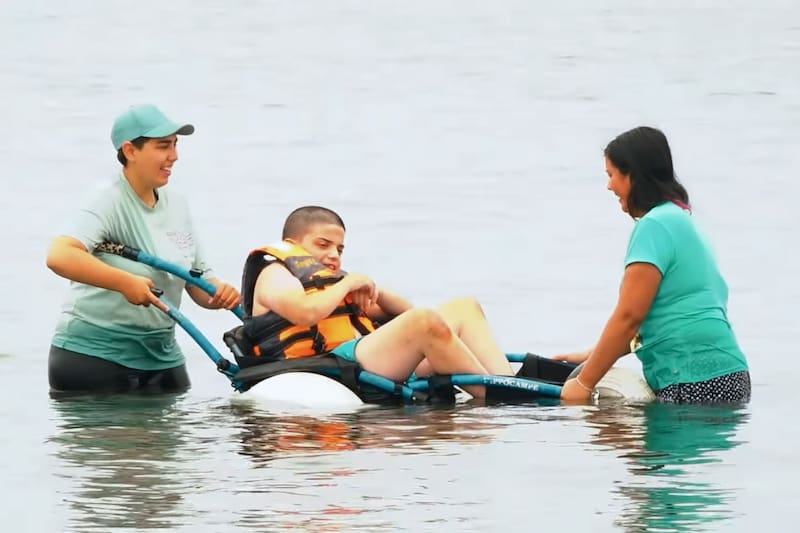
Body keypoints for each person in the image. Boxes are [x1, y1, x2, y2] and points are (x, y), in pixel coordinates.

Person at [46, 104, 240, 395]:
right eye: (163, 146)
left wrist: (219, 293)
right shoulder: (107, 199)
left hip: (161, 356)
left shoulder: (177, 205)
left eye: (175, 145)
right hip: (94, 358)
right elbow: (59, 255)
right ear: (130, 151)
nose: (173, 156)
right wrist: (124, 282)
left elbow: (198, 281)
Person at [554, 126, 750, 404]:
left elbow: (629, 317)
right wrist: (591, 356)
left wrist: (584, 384)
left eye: (611, 175)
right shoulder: (682, 220)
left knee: (601, 431)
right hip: (729, 376)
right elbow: (659, 318)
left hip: (692, 379)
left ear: (632, 174)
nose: (609, 186)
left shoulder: (653, 226)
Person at [239, 206, 513, 399]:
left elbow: (410, 313)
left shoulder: (330, 284)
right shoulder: (274, 274)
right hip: (326, 366)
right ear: (292, 243)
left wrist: (375, 291)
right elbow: (305, 313)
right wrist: (348, 283)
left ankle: (510, 384)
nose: (334, 255)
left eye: (340, 249)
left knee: (464, 307)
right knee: (423, 323)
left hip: (364, 359)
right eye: (323, 245)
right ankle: (501, 400)